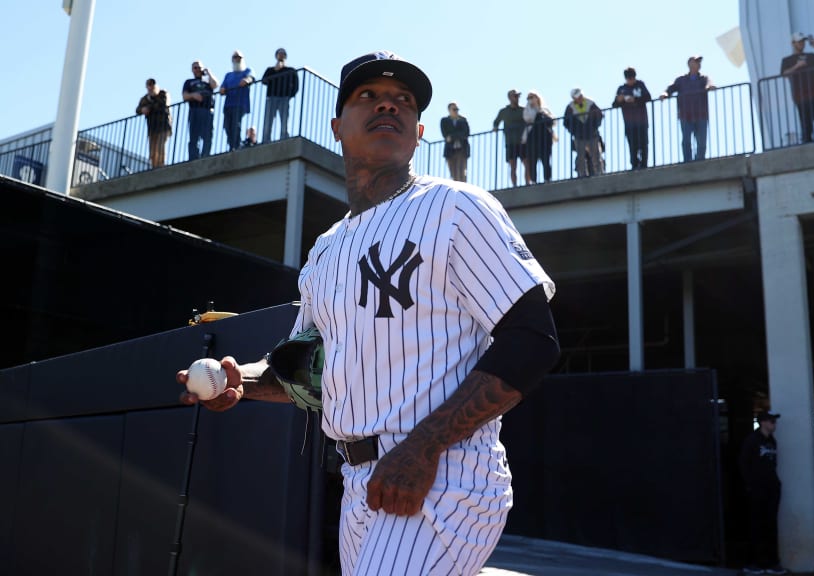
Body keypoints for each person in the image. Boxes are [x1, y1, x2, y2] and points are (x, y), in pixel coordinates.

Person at [177, 50, 560, 576]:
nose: (389, 106)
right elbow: (304, 369)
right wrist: (237, 379)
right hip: (359, 482)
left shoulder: (455, 207)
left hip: (442, 473)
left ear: (419, 130)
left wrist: (423, 448)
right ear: (338, 126)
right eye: (369, 97)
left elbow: (532, 339)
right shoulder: (326, 249)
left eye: (403, 100)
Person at [738, 411, 787, 575]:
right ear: (763, 422)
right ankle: (754, 563)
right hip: (758, 489)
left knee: (770, 525)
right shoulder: (752, 440)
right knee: (757, 525)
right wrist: (751, 485)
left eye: (774, 421)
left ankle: (771, 563)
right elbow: (744, 464)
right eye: (772, 421)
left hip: (771, 488)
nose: (774, 424)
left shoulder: (772, 441)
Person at [660, 55, 715, 162]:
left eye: (699, 62)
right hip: (686, 115)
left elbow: (710, 83)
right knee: (686, 140)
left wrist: (710, 86)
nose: (698, 64)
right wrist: (665, 93)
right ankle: (687, 161)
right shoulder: (681, 80)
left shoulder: (703, 78)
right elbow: (671, 88)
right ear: (689, 64)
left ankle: (700, 160)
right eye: (696, 62)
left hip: (701, 114)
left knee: (701, 141)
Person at [780, 33, 814, 144]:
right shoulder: (787, 60)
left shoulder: (811, 55)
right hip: (800, 95)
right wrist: (797, 66)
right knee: (806, 122)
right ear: (793, 43)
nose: (802, 44)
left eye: (803, 41)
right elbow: (784, 74)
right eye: (799, 41)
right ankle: (808, 142)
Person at [612, 67, 652, 169]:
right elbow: (614, 105)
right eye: (629, 78)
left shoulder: (640, 85)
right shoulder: (621, 89)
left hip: (642, 121)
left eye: (632, 78)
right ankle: (634, 165)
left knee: (643, 144)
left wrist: (635, 99)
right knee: (632, 145)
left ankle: (644, 165)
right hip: (629, 123)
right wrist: (619, 100)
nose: (631, 80)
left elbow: (648, 97)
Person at [563, 88, 604, 178]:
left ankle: (599, 173)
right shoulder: (570, 107)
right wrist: (574, 131)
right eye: (577, 97)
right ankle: (582, 175)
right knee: (580, 157)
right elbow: (566, 122)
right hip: (579, 136)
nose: (580, 98)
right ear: (574, 98)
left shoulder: (590, 103)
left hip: (592, 134)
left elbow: (599, 116)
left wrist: (593, 127)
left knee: (596, 155)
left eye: (580, 95)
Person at [261, 48, 299, 143]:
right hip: (271, 98)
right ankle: (266, 140)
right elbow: (264, 81)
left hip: (284, 99)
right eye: (279, 54)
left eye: (283, 54)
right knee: (268, 121)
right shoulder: (270, 70)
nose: (281, 55)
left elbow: (296, 85)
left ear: (285, 56)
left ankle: (284, 139)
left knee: (284, 121)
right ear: (276, 56)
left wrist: (290, 95)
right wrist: (275, 70)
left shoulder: (291, 70)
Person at [220, 50, 256, 151]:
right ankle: (232, 145)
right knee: (227, 126)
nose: (237, 59)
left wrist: (247, 80)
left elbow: (250, 78)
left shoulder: (247, 70)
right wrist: (222, 90)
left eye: (239, 57)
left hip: (240, 103)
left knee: (236, 124)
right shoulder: (228, 75)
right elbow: (222, 89)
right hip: (228, 104)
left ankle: (236, 146)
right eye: (235, 57)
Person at [182, 60, 219, 160]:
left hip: (207, 110)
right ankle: (193, 158)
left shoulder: (208, 81)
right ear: (192, 70)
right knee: (194, 137)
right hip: (195, 110)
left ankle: (205, 156)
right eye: (195, 68)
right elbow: (185, 96)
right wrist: (193, 95)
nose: (197, 69)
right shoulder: (189, 82)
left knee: (208, 136)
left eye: (199, 67)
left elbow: (215, 85)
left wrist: (209, 72)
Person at [492, 89, 527, 187]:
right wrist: (495, 127)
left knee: (526, 163)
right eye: (515, 96)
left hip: (522, 141)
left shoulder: (523, 110)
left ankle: (528, 183)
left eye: (518, 96)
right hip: (510, 142)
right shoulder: (504, 111)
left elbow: (529, 120)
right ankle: (514, 185)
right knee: (513, 166)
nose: (517, 98)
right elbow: (496, 121)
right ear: (510, 98)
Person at [521, 90, 556, 185]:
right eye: (529, 98)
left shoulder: (545, 109)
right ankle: (534, 181)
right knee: (533, 161)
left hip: (545, 139)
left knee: (546, 160)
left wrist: (541, 112)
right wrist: (533, 108)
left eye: (532, 97)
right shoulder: (528, 110)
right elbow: (528, 118)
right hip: (533, 139)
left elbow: (552, 121)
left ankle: (547, 179)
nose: (531, 99)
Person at [136, 78, 172, 168]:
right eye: (149, 85)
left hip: (163, 126)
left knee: (160, 147)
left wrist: (149, 107)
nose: (151, 87)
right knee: (152, 150)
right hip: (152, 128)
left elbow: (162, 104)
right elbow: (137, 110)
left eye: (152, 85)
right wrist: (142, 109)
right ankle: (154, 167)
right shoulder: (145, 98)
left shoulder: (163, 93)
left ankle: (161, 166)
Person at [440, 101, 470, 182]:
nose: (456, 111)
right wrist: (457, 135)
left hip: (462, 149)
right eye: (454, 109)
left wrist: (452, 136)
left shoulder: (463, 120)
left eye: (457, 109)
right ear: (449, 110)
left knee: (462, 172)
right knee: (453, 173)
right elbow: (445, 134)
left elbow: (466, 133)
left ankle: (463, 190)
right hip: (450, 150)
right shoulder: (444, 120)